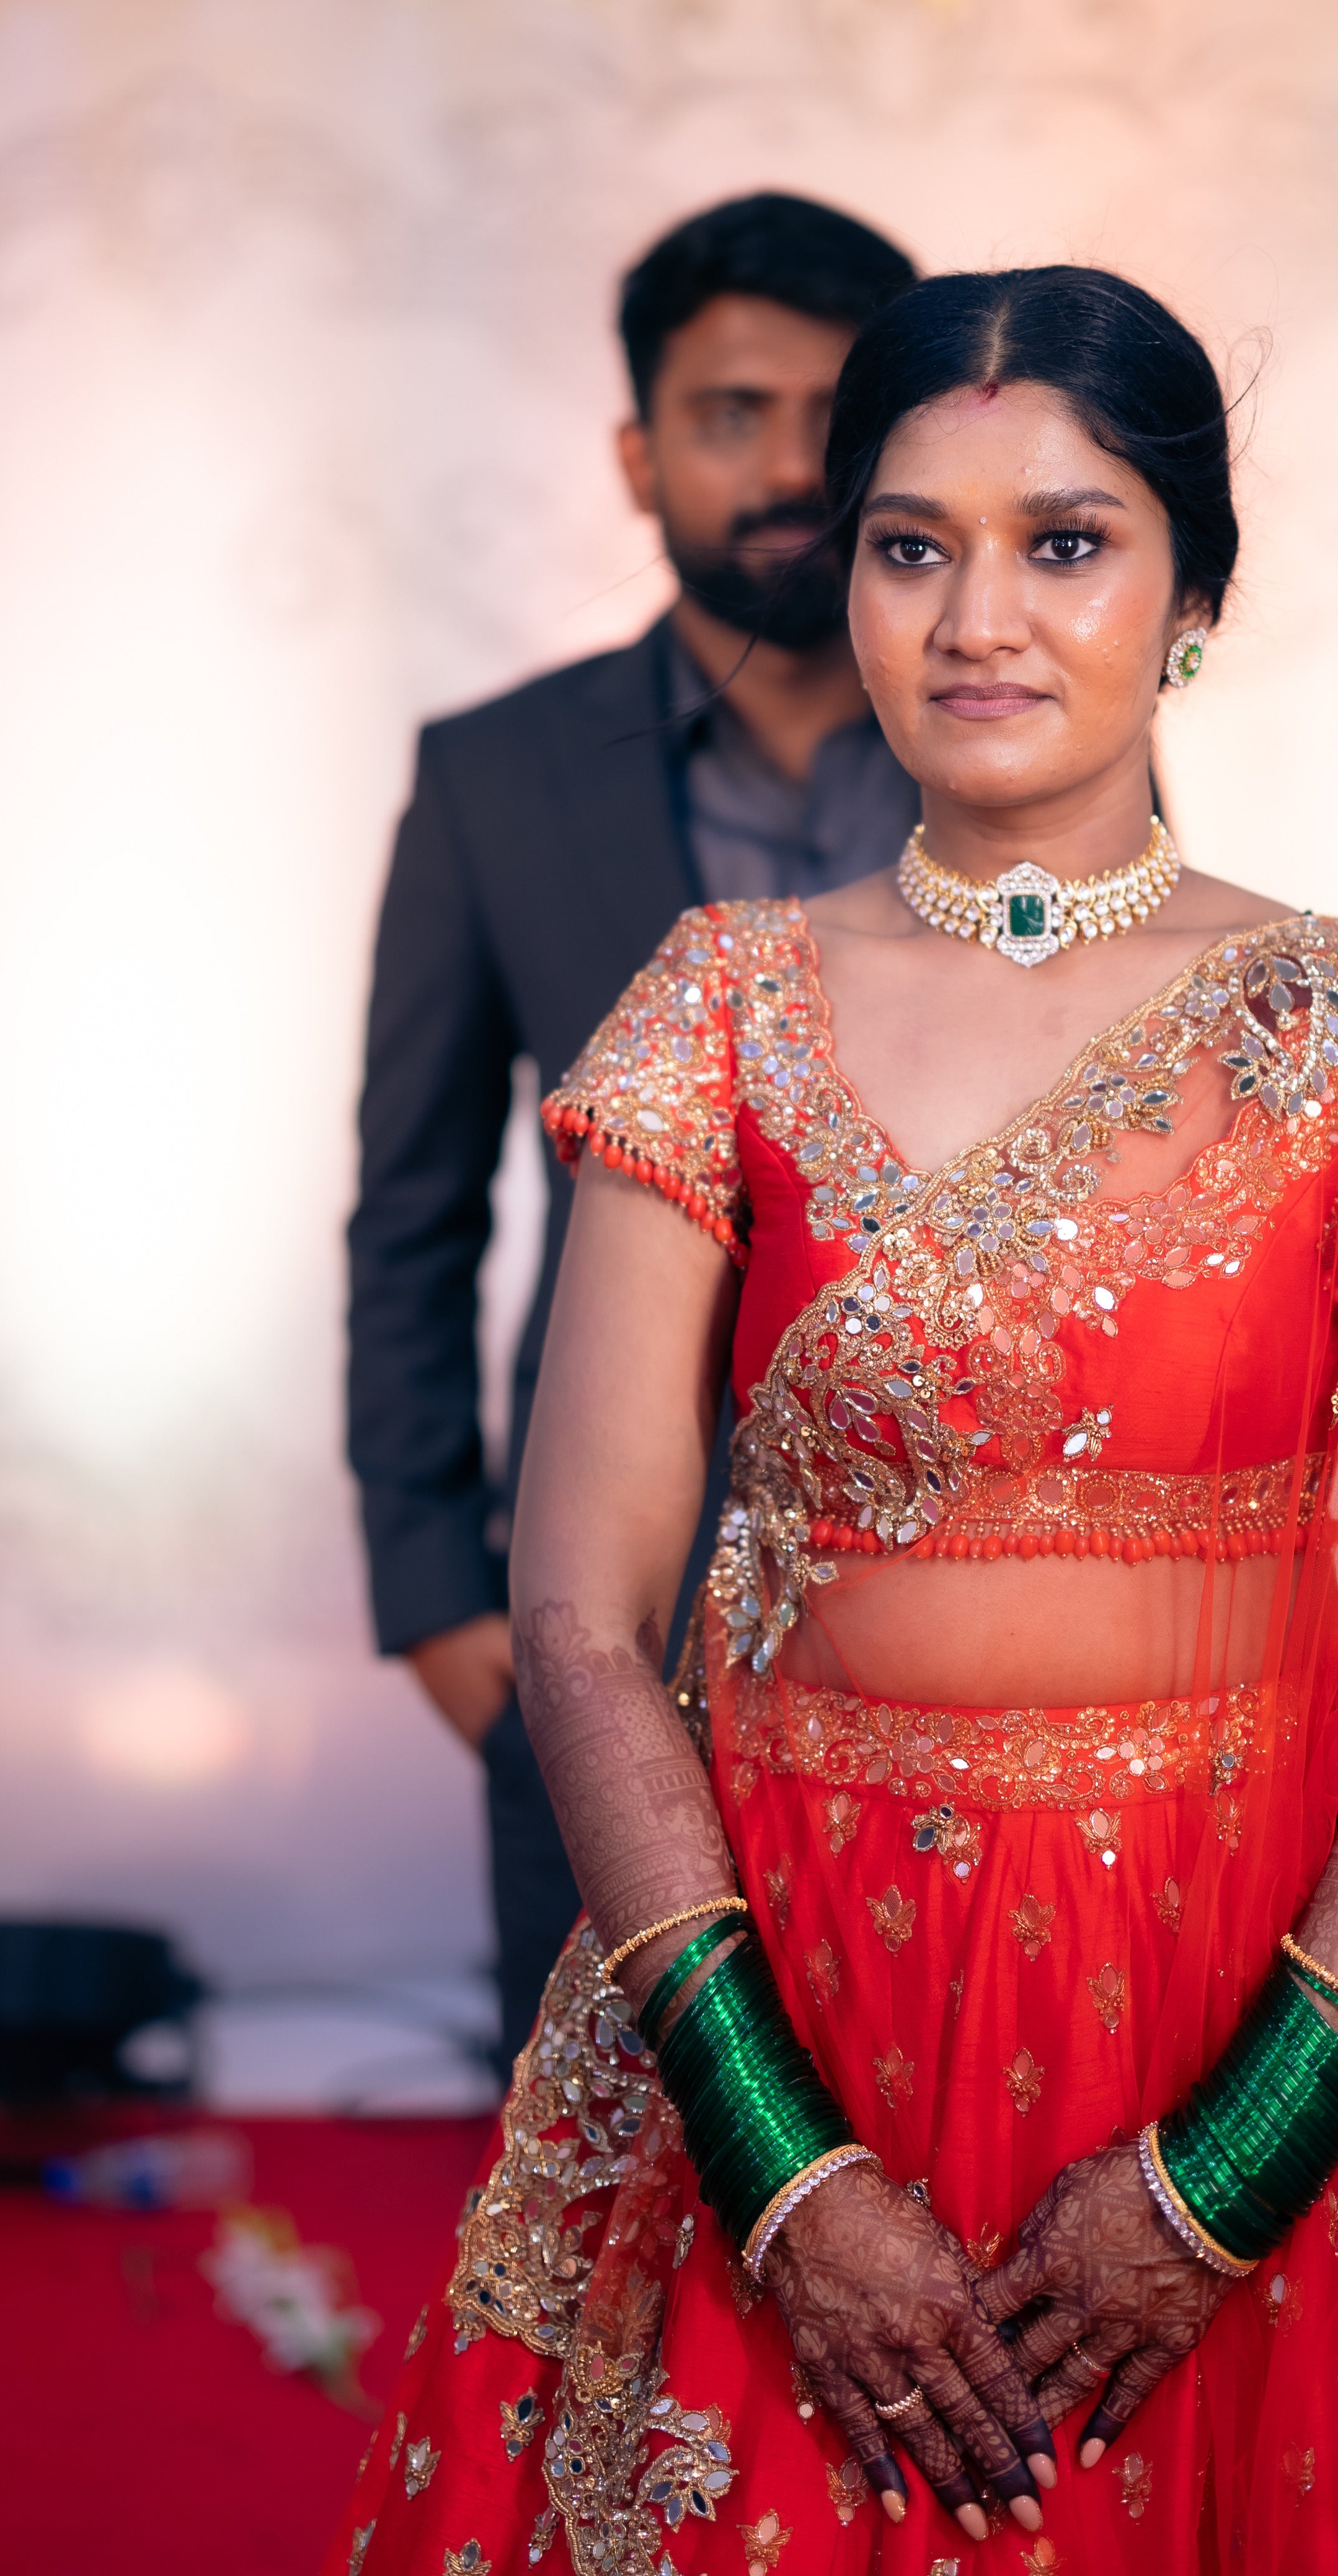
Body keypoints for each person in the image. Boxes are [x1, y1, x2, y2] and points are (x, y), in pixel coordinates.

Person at [329, 268, 1338, 2572]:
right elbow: (586, 1618)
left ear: (1198, 590)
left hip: (1265, 2006)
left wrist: (1238, 2163)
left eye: (1069, 542)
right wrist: (777, 2159)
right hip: (795, 2002)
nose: (977, 617)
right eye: (913, 547)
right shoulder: (721, 1009)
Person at [347, 193, 920, 2064]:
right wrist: (440, 1595)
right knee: (599, 2195)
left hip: (979, 1600)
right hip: (606, 1607)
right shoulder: (496, 780)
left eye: (832, 419)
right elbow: (413, 1213)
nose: (782, 467)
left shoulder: (1009, 733)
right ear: (635, 451)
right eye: (729, 411)